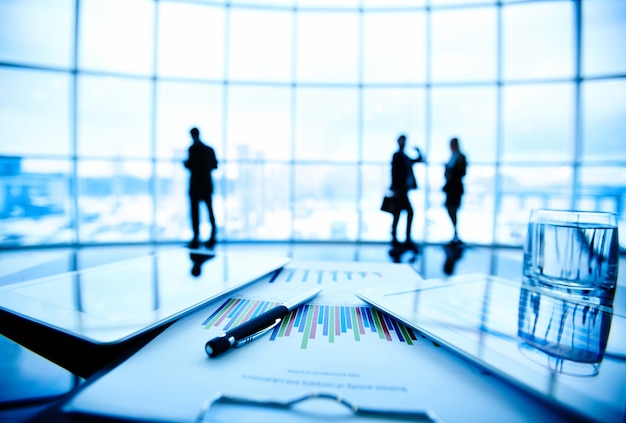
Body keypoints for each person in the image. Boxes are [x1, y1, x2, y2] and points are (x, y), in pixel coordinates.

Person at [184, 127, 218, 249]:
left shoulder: (192, 149)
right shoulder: (209, 149)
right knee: (210, 210)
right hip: (206, 184)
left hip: (196, 185)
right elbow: (215, 165)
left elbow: (190, 165)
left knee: (195, 213)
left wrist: (187, 164)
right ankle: (213, 234)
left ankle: (196, 236)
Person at [389, 134, 425, 247]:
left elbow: (419, 160)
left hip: (403, 190)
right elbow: (394, 172)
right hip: (399, 190)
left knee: (400, 213)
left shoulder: (405, 156)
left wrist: (419, 151)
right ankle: (398, 237)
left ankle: (402, 237)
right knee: (401, 213)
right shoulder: (397, 156)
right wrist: (395, 188)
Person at [442, 137, 467, 244]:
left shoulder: (461, 157)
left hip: (455, 189)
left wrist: (451, 172)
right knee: (450, 209)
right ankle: (455, 233)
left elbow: (462, 172)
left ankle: (456, 233)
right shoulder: (452, 157)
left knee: (453, 210)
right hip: (450, 188)